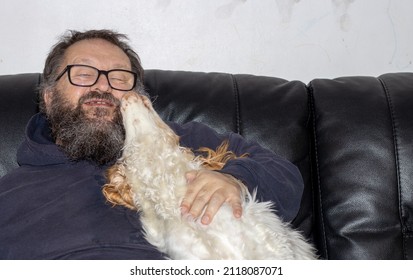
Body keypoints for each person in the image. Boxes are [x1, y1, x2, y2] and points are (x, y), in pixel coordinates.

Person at [0, 29, 304, 259]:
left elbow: (285, 176)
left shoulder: (188, 140)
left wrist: (235, 179)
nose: (102, 86)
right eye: (83, 74)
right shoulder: (10, 194)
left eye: (120, 78)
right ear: (49, 97)